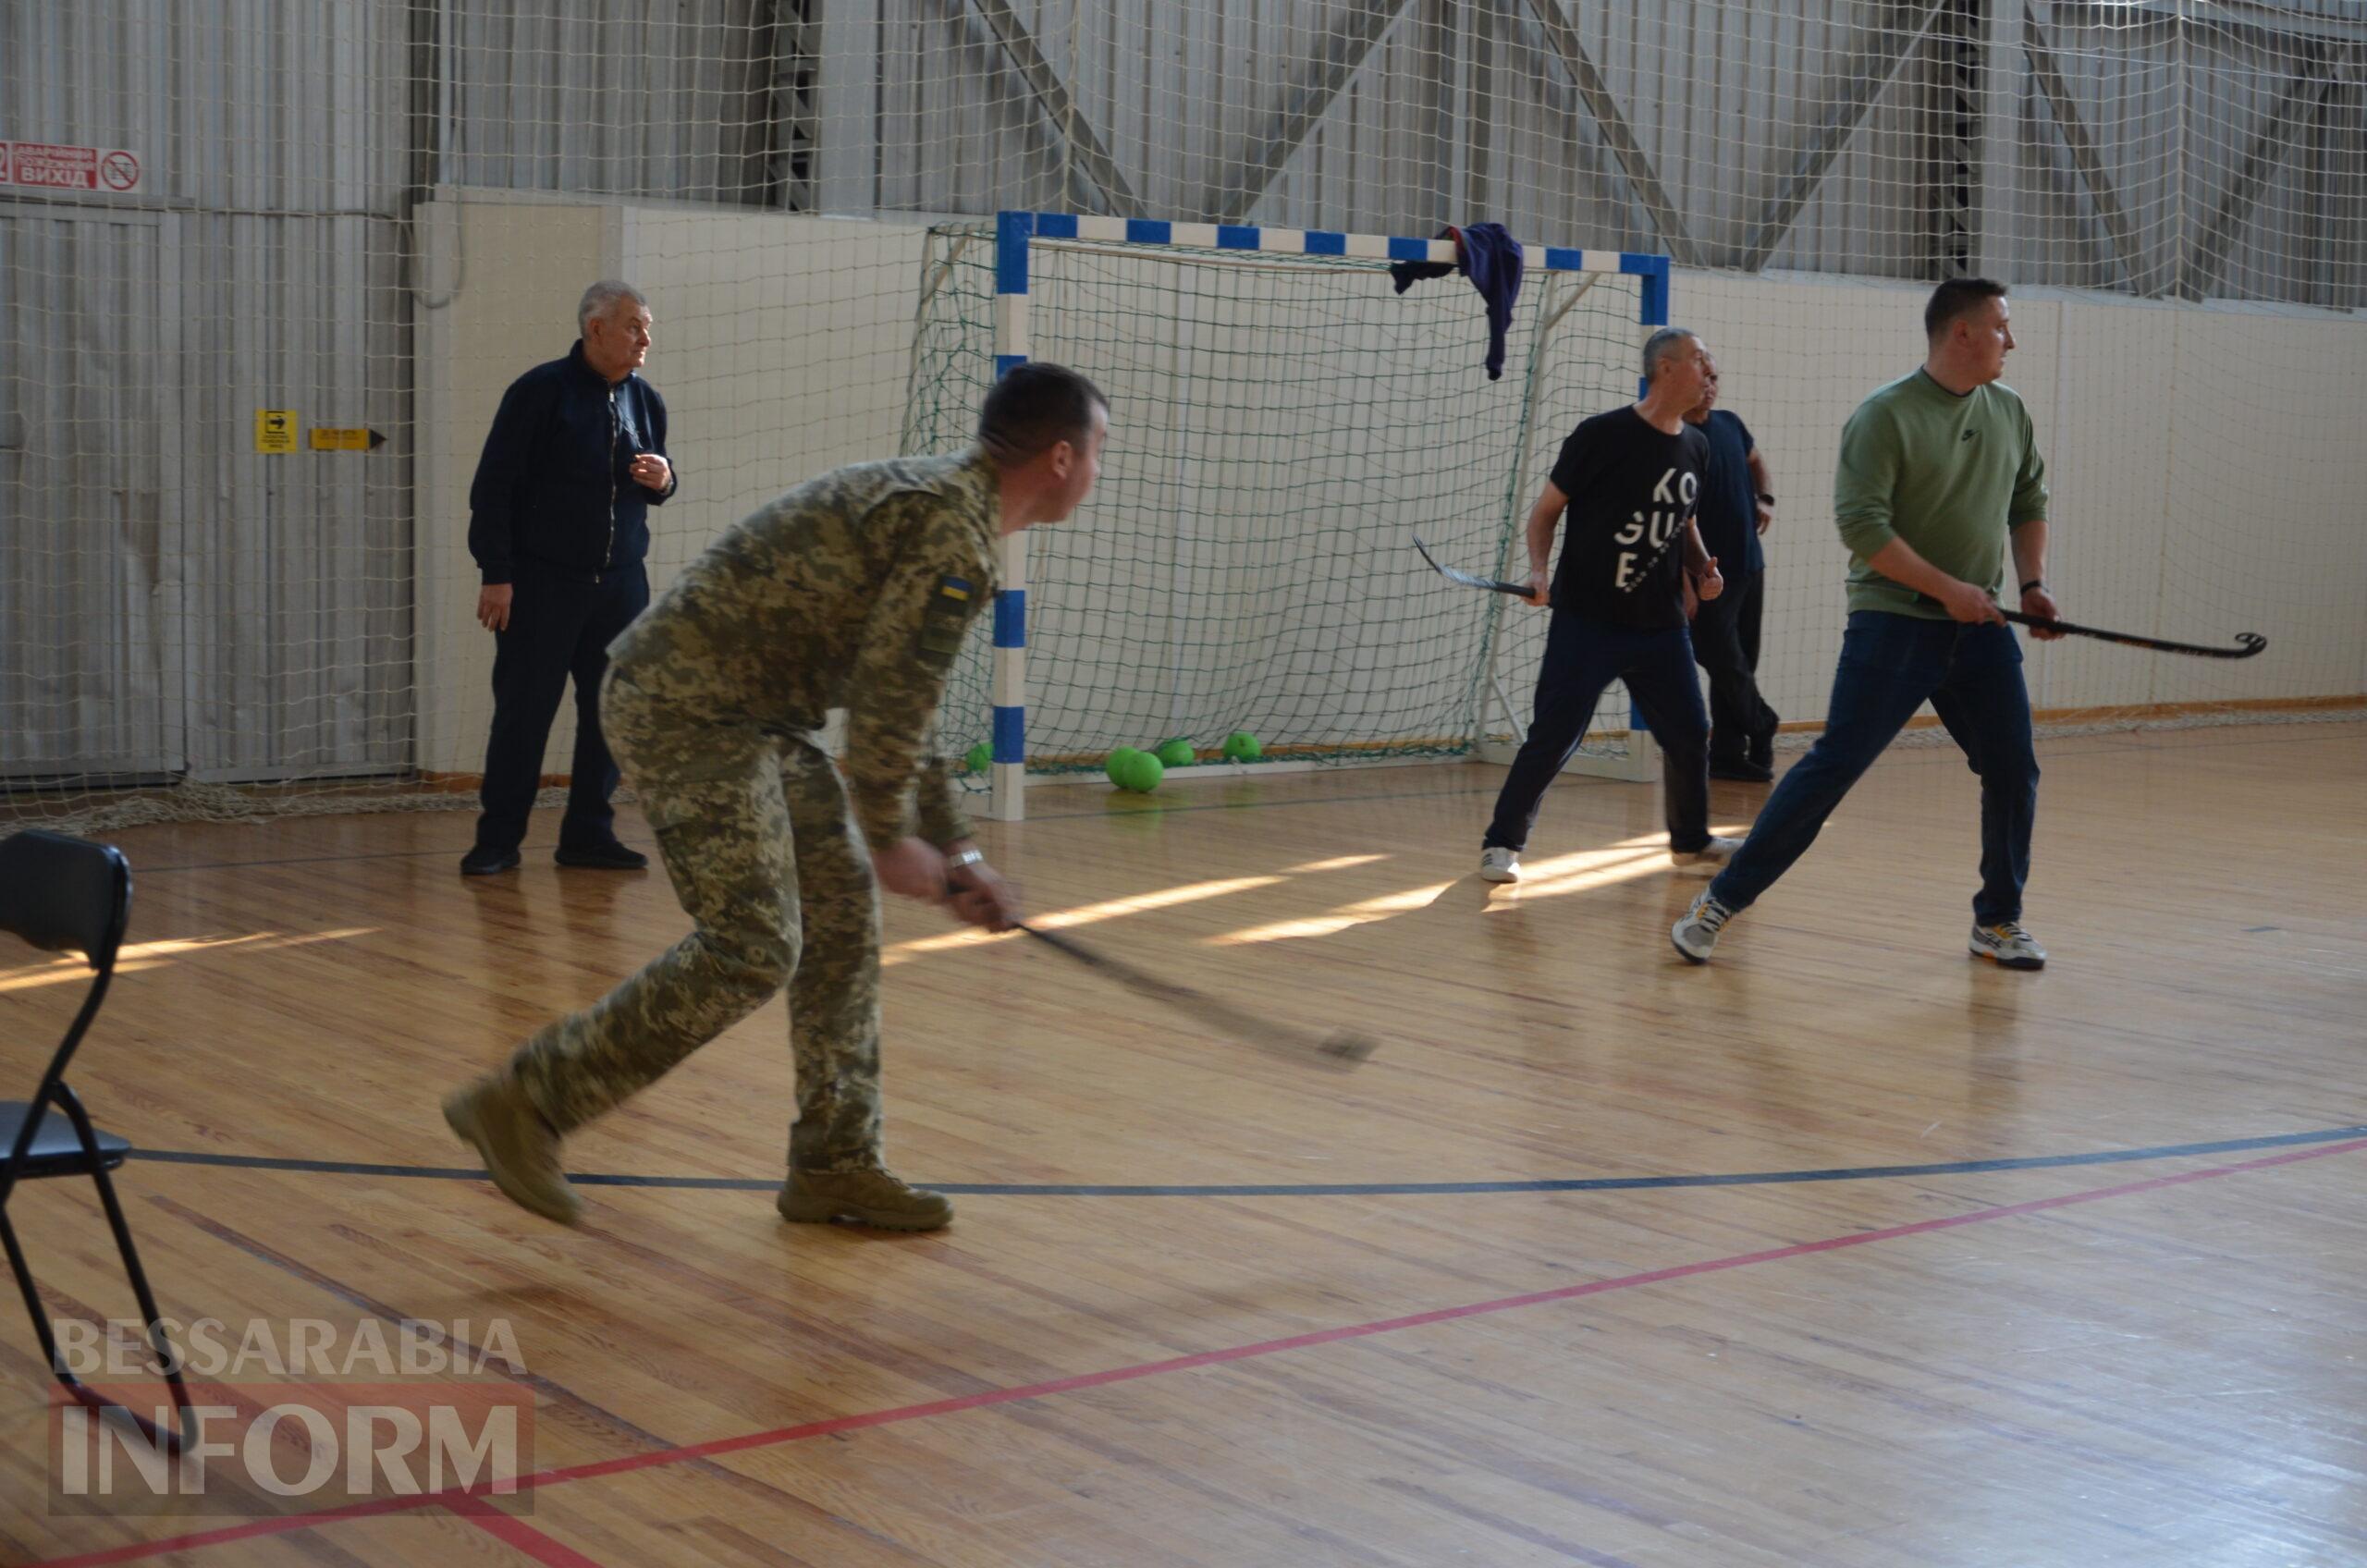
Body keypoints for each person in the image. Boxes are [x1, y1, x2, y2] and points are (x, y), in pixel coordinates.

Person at [441, 363, 1110, 1233]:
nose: (1100, 468)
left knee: (838, 917)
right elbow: (883, 707)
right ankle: (525, 1103)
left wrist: (959, 853)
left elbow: (910, 704)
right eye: (1099, 450)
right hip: (687, 707)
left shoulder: (953, 507)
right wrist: (892, 836)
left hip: (755, 719)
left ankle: (835, 1165)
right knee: (755, 944)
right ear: (1061, 457)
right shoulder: (954, 535)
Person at [1672, 278, 2060, 970]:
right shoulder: (1885, 416)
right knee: (1834, 767)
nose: (2012, 339)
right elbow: (1862, 526)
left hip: (1980, 629)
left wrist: (2030, 585)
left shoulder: (2010, 411)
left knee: (2012, 770)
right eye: (2002, 326)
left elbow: (2028, 499)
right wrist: (1948, 591)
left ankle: (1997, 922)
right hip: (1895, 624)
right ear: (1961, 333)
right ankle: (1719, 902)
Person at [1478, 328, 1742, 885]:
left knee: (1691, 732)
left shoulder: (1698, 444)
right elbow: (1546, 513)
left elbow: (1684, 521)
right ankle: (1502, 843)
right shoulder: (1600, 435)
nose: (1708, 373)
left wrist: (1701, 568)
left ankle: (1689, 842)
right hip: (1588, 622)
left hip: (1661, 628)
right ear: (1665, 369)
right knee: (1554, 735)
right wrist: (1540, 571)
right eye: (1699, 361)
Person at [460, 280, 677, 876]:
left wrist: (664, 479)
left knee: (611, 711)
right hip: (540, 583)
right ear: (596, 328)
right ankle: (497, 841)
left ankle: (587, 835)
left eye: (647, 326)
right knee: (525, 714)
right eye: (634, 325)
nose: (645, 338)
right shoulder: (539, 392)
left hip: (620, 584)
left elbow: (658, 481)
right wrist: (497, 575)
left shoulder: (646, 400)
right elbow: (494, 488)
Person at [1683, 358, 1782, 781]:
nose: (1710, 386)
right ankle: (1762, 723)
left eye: (1715, 379)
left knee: (1742, 660)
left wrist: (1765, 498)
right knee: (1720, 657)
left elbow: (1757, 462)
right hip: (1705, 573)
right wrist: (1688, 578)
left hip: (1749, 564)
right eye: (1704, 378)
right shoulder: (1677, 437)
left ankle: (1726, 753)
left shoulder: (1730, 424)